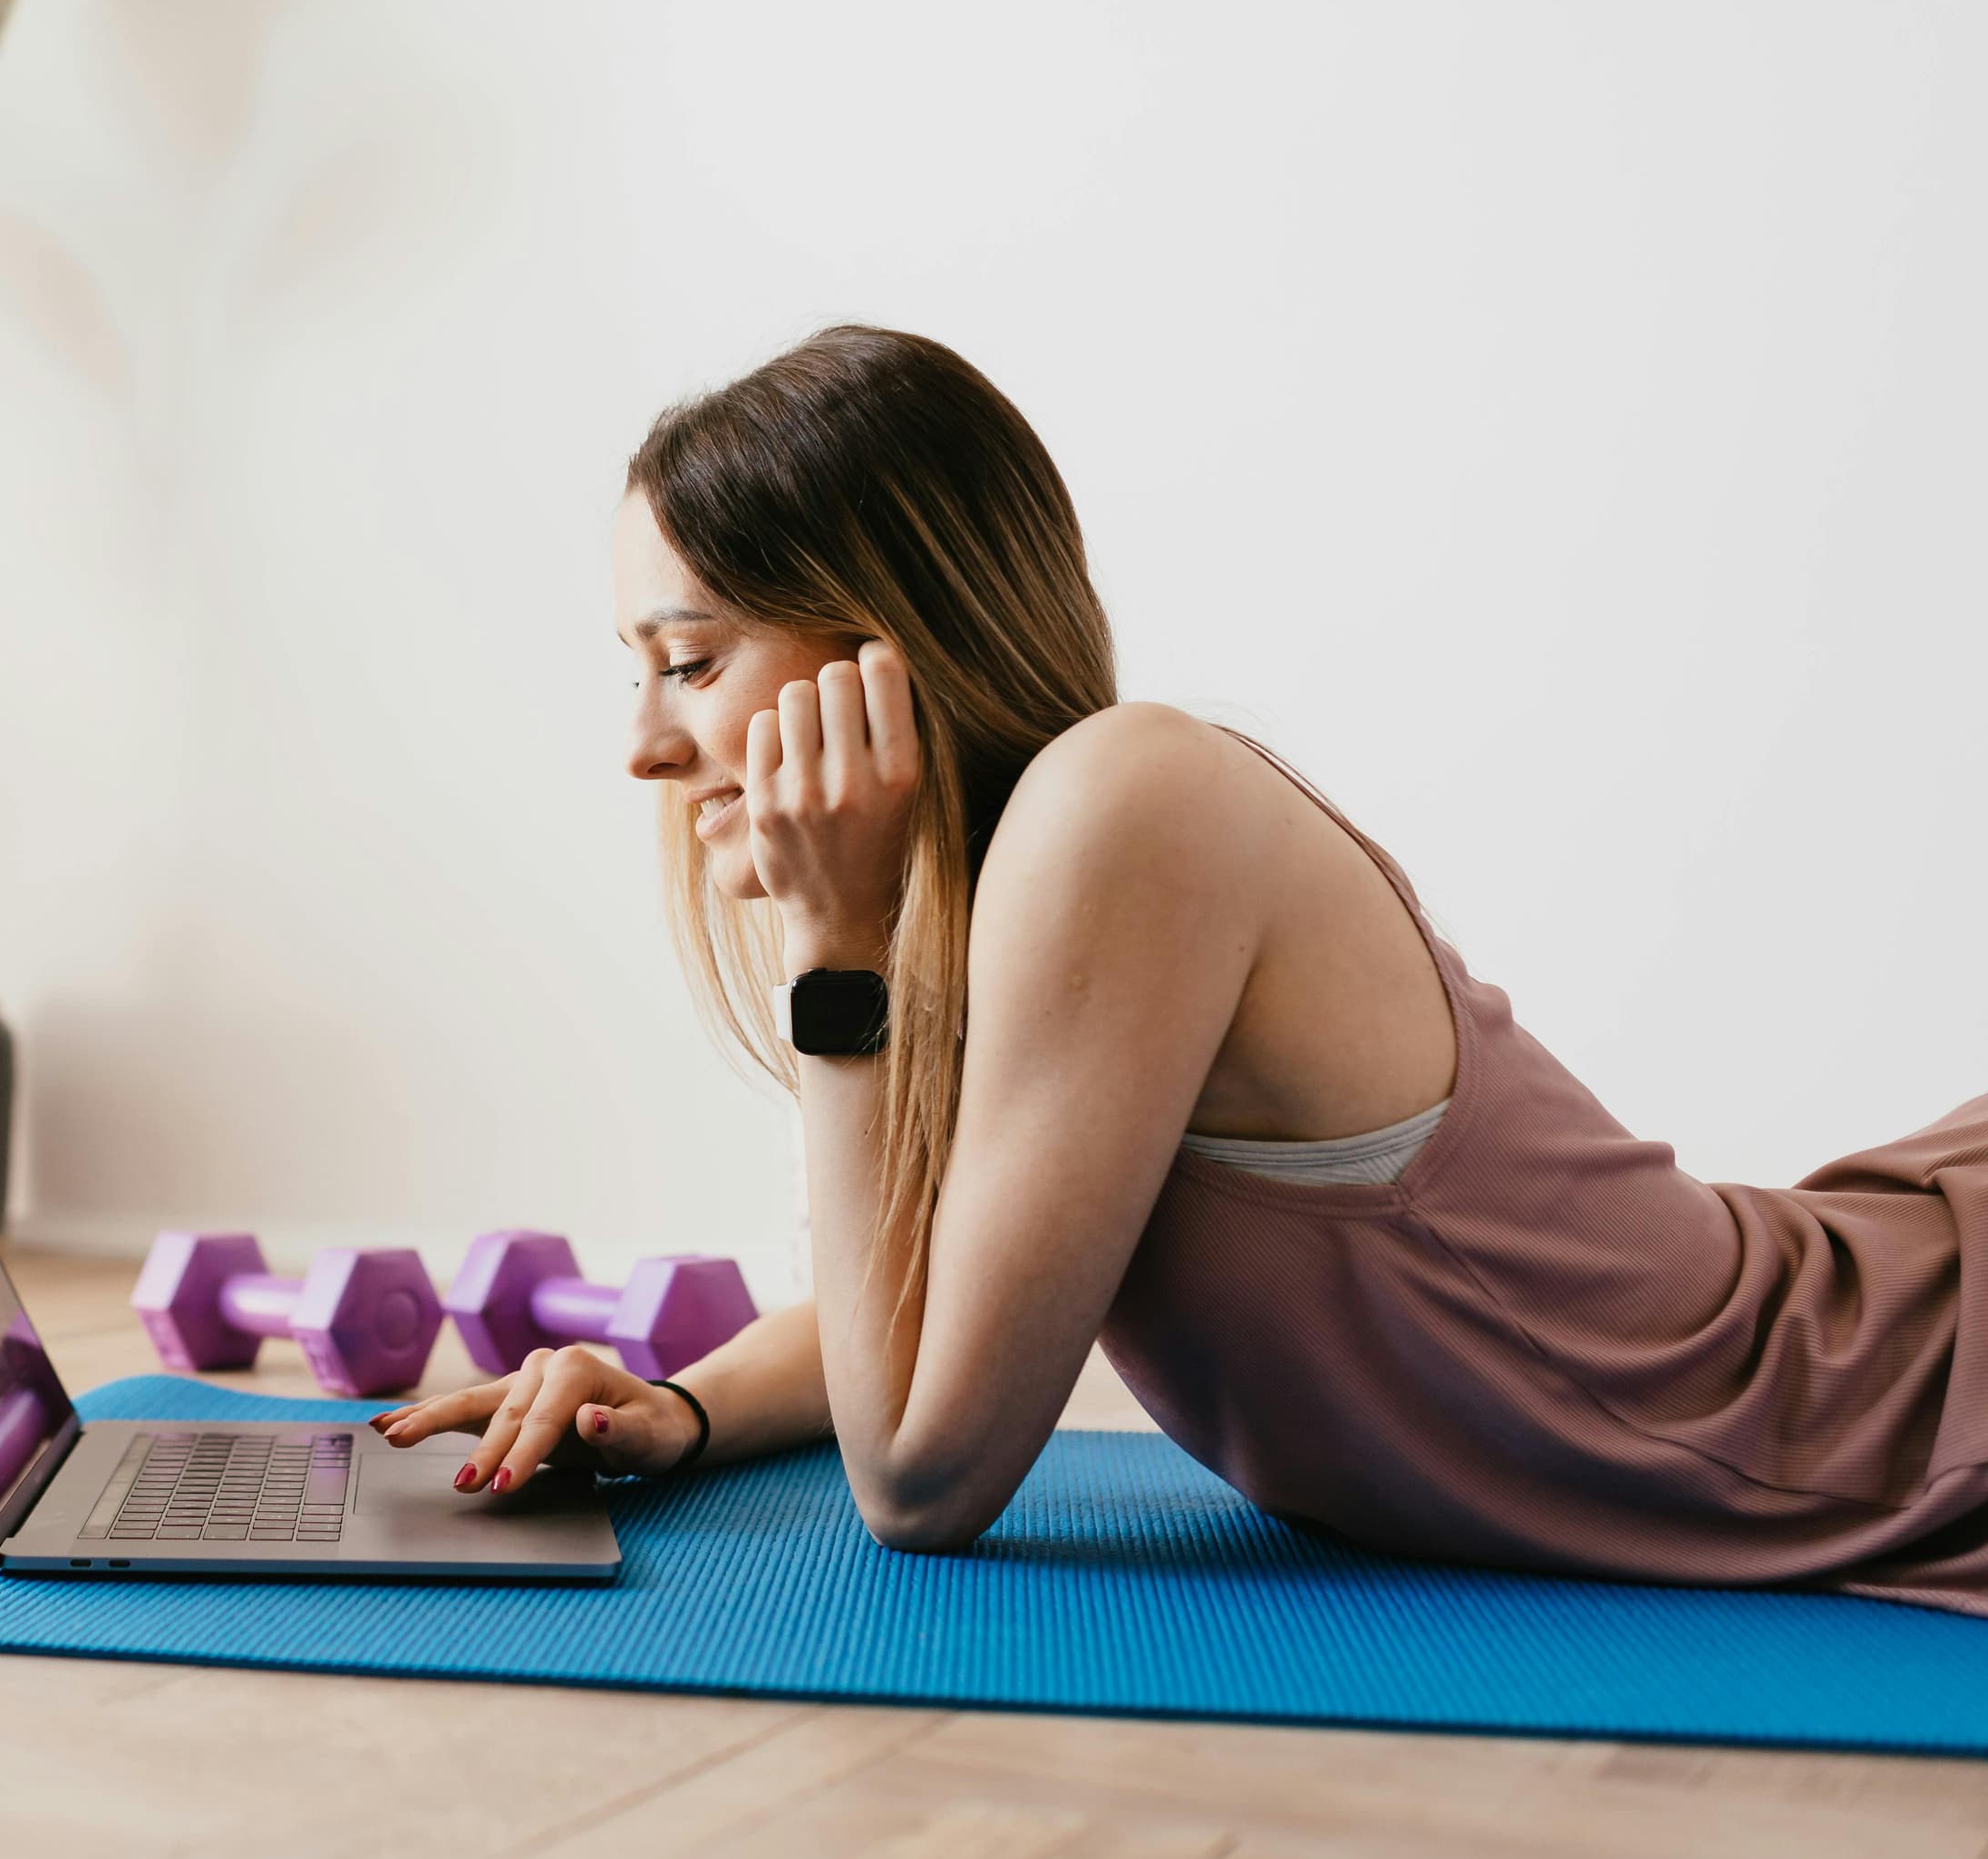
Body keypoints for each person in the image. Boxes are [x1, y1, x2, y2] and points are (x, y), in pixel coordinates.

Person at [374, 324, 1988, 1617]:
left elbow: (921, 1478)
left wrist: (833, 947)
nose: (649, 747)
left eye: (690, 662)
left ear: (886, 634)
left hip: (1871, 1404)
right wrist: (687, 1405)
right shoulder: (1026, 895)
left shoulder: (1125, 802)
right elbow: (941, 1320)